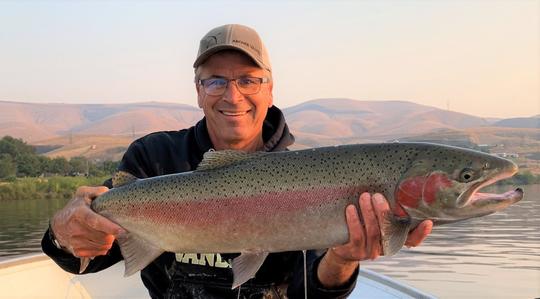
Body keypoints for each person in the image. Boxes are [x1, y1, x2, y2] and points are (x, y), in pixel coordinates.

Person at [42, 24, 433, 299]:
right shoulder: (152, 158)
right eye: (216, 81)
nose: (232, 96)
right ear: (198, 91)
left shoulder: (310, 177)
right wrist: (64, 229)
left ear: (269, 87)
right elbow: (85, 259)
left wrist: (345, 257)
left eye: (248, 79)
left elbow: (311, 292)